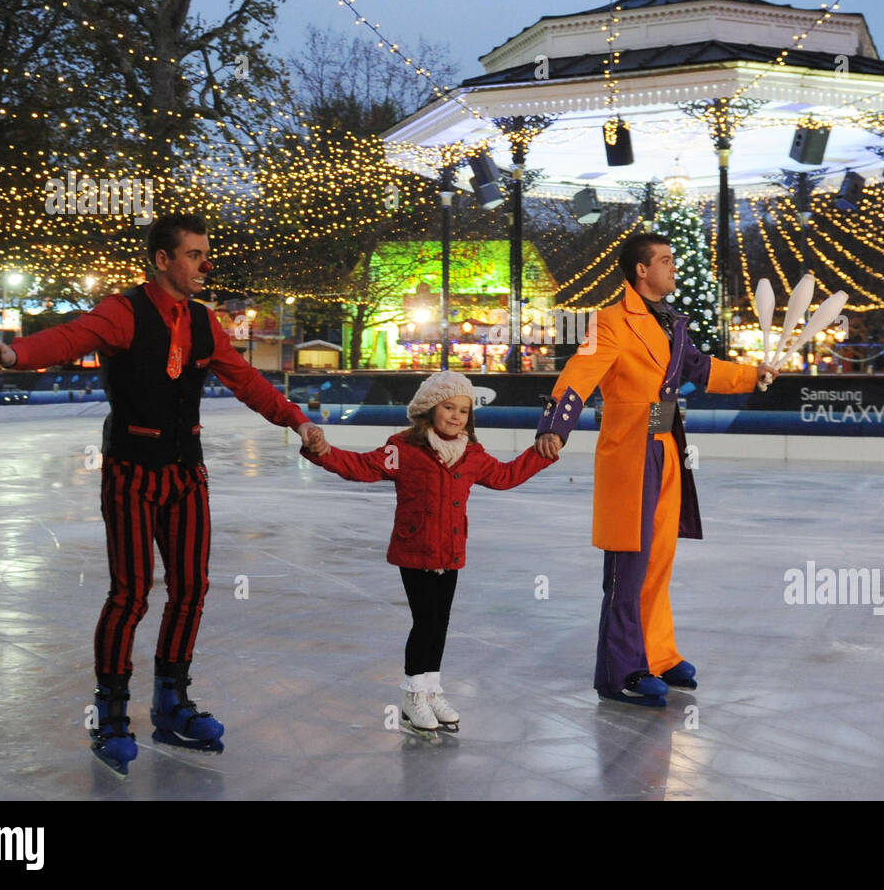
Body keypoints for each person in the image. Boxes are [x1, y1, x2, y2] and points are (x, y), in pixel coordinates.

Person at [0, 213, 325, 774]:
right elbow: (69, 338)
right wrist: (16, 353)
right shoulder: (122, 311)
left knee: (191, 587)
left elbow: (246, 380)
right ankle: (111, 710)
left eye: (204, 254)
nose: (203, 265)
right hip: (131, 471)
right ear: (162, 260)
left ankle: (171, 702)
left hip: (186, 470)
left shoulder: (207, 324)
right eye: (192, 255)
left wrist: (296, 421)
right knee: (131, 593)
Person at [534, 234, 779, 708]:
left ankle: (658, 653)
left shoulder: (672, 325)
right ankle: (620, 672)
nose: (673, 268)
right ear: (641, 271)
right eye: (665, 261)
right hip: (630, 454)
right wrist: (555, 427)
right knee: (629, 566)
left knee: (658, 561)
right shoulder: (609, 323)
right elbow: (578, 376)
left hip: (667, 448)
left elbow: (702, 369)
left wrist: (754, 374)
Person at [299, 370, 554, 734]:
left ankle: (431, 689)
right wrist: (320, 451)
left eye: (464, 410)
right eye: (448, 407)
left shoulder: (471, 454)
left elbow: (506, 476)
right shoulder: (403, 450)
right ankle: (412, 697)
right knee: (424, 623)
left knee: (439, 624)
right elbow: (359, 467)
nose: (455, 416)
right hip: (415, 550)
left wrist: (540, 454)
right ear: (429, 409)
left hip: (450, 552)